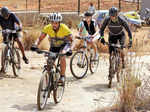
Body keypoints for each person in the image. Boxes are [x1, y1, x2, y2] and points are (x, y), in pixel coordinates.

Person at [31, 13, 72, 84]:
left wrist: (70, 49)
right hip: (54, 46)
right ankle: (49, 79)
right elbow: (40, 38)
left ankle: (62, 76)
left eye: (56, 23)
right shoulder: (48, 28)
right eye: (52, 22)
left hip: (64, 45)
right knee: (49, 62)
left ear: (59, 23)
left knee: (62, 56)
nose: (54, 24)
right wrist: (35, 45)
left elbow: (72, 40)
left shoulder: (64, 28)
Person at [99, 7, 132, 87]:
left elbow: (128, 30)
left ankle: (122, 61)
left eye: (114, 16)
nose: (112, 17)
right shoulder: (107, 19)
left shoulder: (121, 20)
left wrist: (130, 40)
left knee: (120, 48)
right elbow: (102, 30)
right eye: (111, 16)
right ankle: (111, 67)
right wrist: (102, 38)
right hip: (112, 35)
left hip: (121, 35)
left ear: (117, 15)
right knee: (111, 53)